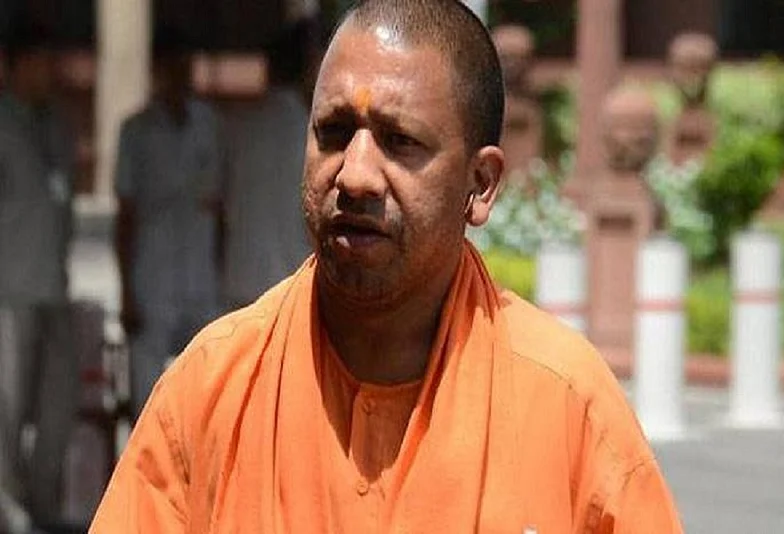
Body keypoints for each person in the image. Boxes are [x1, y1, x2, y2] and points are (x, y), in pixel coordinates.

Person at [91, 1, 683, 532]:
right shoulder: (210, 390)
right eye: (333, 133)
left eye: (399, 141)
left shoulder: (568, 408)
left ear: (480, 184)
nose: (354, 175)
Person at [114, 38, 222, 417]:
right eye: (172, 69)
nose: (179, 78)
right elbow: (125, 216)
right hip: (153, 279)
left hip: (200, 278)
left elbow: (221, 208)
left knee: (209, 390)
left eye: (184, 69)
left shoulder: (210, 126)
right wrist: (126, 292)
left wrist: (221, 273)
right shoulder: (136, 132)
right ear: (156, 73)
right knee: (147, 395)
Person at [0, 35, 78, 533]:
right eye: (39, 62)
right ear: (13, 66)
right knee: (6, 409)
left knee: (58, 404)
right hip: (9, 289)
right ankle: (9, 511)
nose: (48, 72)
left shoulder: (58, 127)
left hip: (55, 284)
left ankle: (43, 505)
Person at [221, 23, 312, 310]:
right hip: (292, 288)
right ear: (311, 69)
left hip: (240, 282)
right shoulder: (316, 133)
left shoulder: (238, 126)